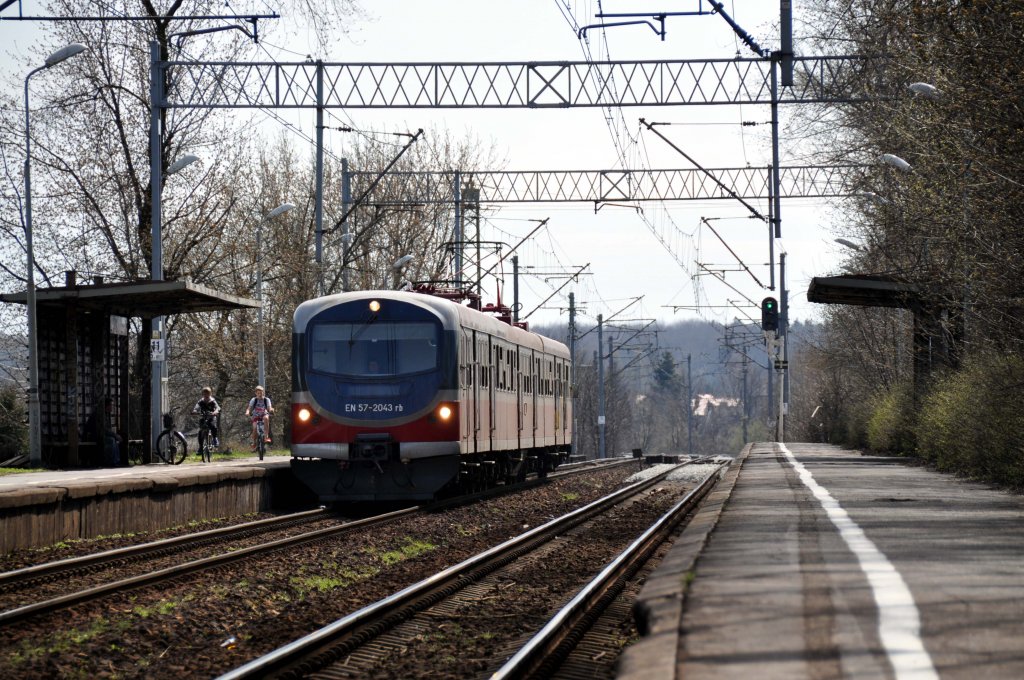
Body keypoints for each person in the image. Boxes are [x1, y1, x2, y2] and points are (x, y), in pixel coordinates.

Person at [245, 385, 274, 451]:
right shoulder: (254, 400)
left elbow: (269, 408)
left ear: (263, 393)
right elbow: (249, 408)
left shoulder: (267, 400)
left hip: (264, 414)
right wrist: (247, 412)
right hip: (256, 416)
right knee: (255, 428)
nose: (260, 394)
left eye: (261, 393)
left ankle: (266, 437)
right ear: (256, 393)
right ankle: (254, 442)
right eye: (258, 393)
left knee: (266, 418)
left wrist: (271, 410)